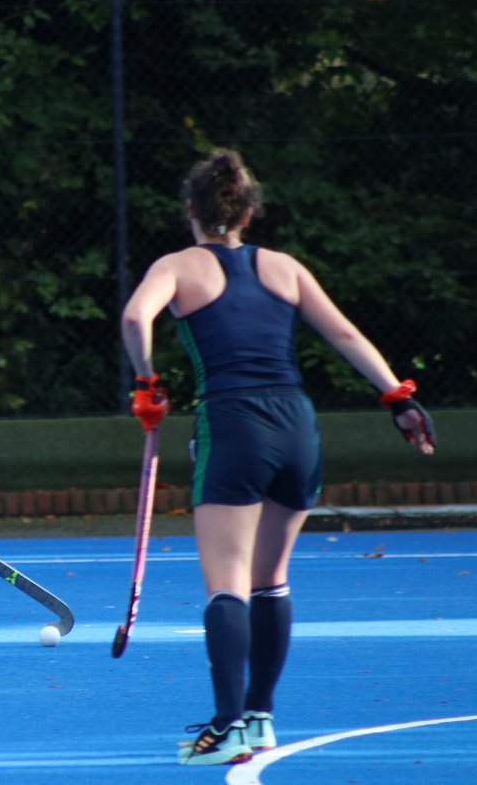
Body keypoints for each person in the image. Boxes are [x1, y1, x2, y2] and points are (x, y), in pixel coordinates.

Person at [121, 148, 435, 765]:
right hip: (297, 424)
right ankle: (259, 720)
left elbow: (136, 316)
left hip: (234, 424)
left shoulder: (179, 266)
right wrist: (398, 398)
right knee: (272, 580)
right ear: (247, 213)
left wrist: (146, 383)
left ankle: (226, 725)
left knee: (226, 586)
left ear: (191, 209)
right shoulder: (284, 267)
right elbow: (344, 333)